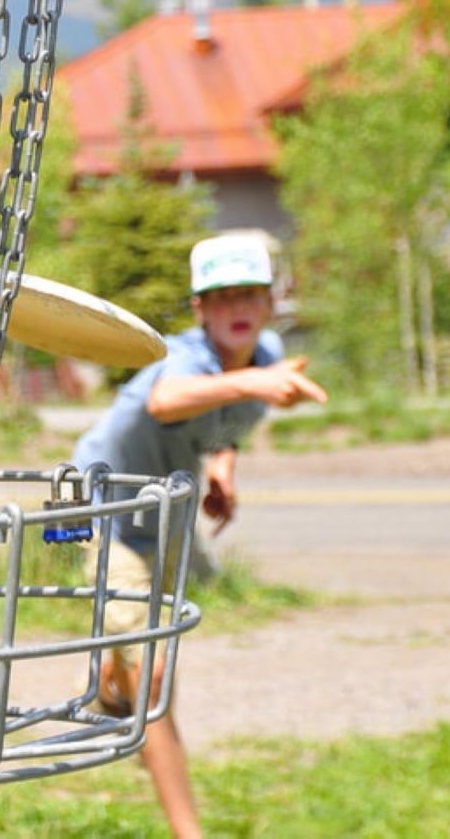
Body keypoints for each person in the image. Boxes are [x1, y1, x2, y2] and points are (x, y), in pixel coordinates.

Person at [74, 233, 327, 839]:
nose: (235, 307)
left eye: (249, 294)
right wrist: (254, 386)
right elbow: (166, 401)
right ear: (198, 310)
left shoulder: (263, 353)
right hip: (109, 509)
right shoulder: (186, 359)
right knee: (157, 681)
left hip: (168, 513)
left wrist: (222, 466)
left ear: (270, 301)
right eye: (220, 298)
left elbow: (222, 424)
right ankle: (189, 830)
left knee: (143, 673)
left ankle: (112, 689)